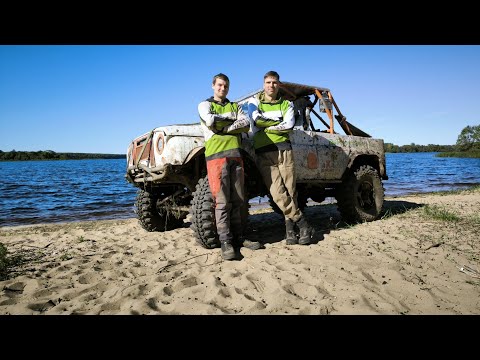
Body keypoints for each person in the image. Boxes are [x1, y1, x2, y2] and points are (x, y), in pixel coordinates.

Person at [198, 73, 263, 260]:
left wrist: (223, 126)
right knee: (222, 201)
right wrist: (230, 121)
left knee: (239, 200)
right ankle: (226, 241)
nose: (222, 88)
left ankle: (240, 237)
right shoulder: (205, 105)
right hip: (216, 157)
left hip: (236, 155)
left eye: (225, 86)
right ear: (213, 86)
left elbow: (246, 124)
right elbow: (210, 121)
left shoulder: (235, 106)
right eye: (219, 85)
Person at [248, 70, 314, 245]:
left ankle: (290, 232)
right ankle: (303, 222)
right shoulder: (254, 102)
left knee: (291, 192)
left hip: (284, 150)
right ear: (264, 84)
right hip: (264, 152)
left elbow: (289, 125)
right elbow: (256, 120)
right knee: (278, 193)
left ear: (279, 84)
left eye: (275, 82)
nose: (271, 85)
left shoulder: (286, 104)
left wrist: (268, 127)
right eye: (268, 82)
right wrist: (278, 123)